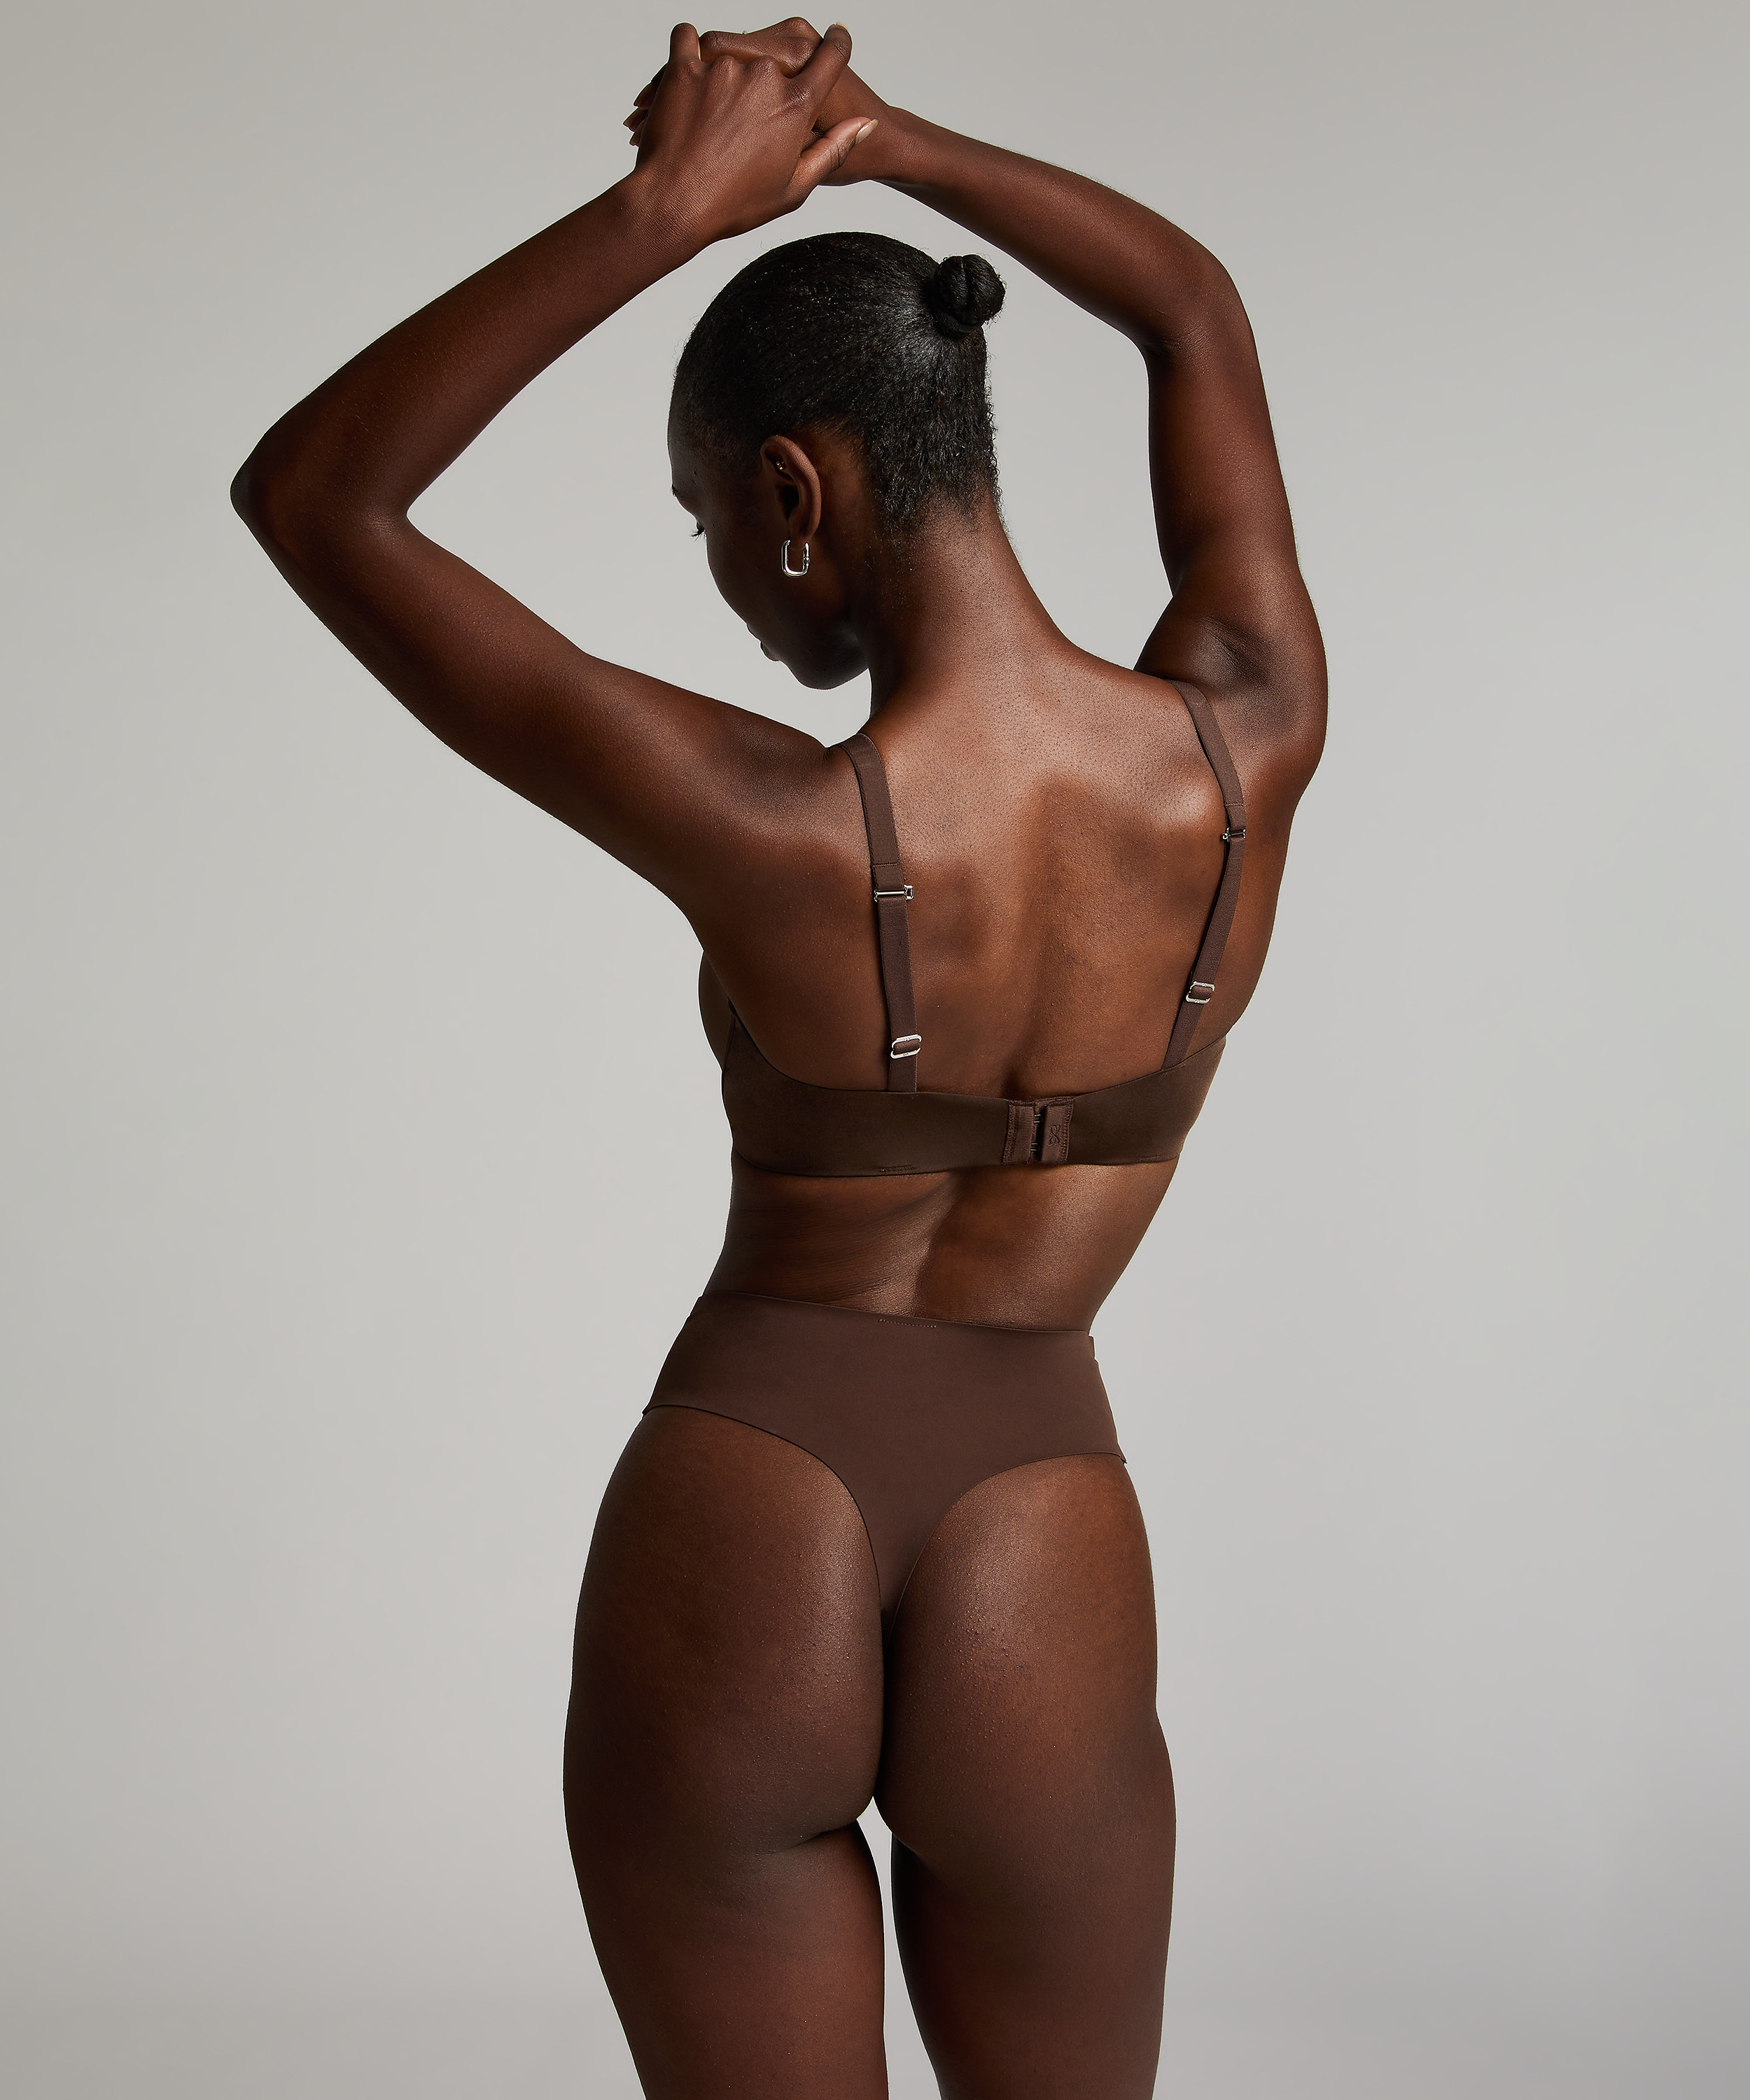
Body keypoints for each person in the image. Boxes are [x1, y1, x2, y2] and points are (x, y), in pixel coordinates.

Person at [232, 18, 1324, 2096]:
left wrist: (667, 212)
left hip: (752, 1498)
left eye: (707, 522)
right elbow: (1187, 304)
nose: (727, 581)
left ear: (793, 493)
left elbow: (317, 495)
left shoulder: (764, 820)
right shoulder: (1244, 742)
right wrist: (881, 143)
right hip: (1047, 1520)